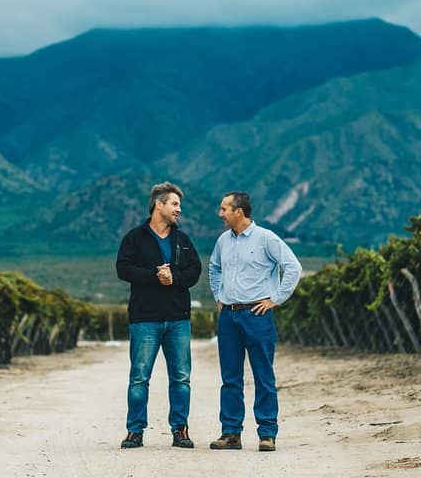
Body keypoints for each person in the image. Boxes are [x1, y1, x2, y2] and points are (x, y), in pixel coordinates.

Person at [208, 191, 301, 452]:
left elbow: (293, 267)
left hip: (257, 315)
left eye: (224, 208)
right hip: (229, 316)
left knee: (263, 375)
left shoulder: (266, 239)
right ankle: (230, 434)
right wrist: (218, 295)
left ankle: (267, 433)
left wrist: (276, 299)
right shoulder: (223, 241)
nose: (220, 213)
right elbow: (214, 268)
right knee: (230, 377)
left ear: (239, 211)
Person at [116, 181, 202, 449]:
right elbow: (123, 269)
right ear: (159, 204)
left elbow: (195, 272)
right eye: (175, 204)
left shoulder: (183, 240)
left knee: (181, 378)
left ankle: (180, 430)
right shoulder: (134, 238)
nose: (179, 209)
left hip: (178, 319)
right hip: (145, 319)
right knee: (140, 377)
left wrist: (173, 277)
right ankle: (135, 431)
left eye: (179, 205)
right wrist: (155, 275)